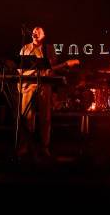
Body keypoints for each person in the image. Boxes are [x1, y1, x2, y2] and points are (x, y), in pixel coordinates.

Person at [18, 26, 78, 157]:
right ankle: (24, 146)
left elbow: (51, 69)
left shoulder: (49, 49)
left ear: (43, 35)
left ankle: (44, 147)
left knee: (45, 118)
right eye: (34, 30)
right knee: (27, 118)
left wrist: (66, 64)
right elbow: (20, 70)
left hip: (44, 86)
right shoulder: (25, 48)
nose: (36, 32)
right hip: (28, 86)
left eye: (39, 31)